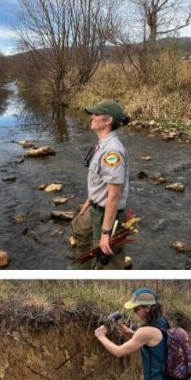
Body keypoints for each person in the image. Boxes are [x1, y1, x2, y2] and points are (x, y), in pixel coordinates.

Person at [76, 100, 131, 270]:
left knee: (106, 261)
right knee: (79, 230)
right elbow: (99, 180)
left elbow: (114, 195)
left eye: (96, 114)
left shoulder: (112, 152)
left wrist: (106, 233)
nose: (92, 117)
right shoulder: (102, 143)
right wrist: (90, 199)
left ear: (107, 121)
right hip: (95, 206)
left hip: (106, 216)